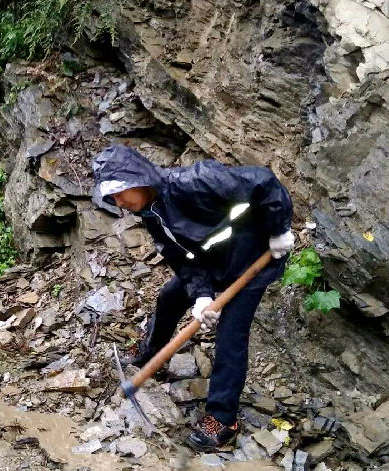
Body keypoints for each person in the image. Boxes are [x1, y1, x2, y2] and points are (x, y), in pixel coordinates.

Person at [92, 144, 294, 450]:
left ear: (137, 179)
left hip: (253, 259)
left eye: (120, 192)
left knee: (231, 335)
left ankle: (223, 419)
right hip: (213, 264)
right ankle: (151, 352)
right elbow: (183, 260)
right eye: (112, 197)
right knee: (169, 297)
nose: (119, 202)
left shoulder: (196, 181)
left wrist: (279, 230)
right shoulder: (152, 214)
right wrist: (201, 296)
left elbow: (263, 181)